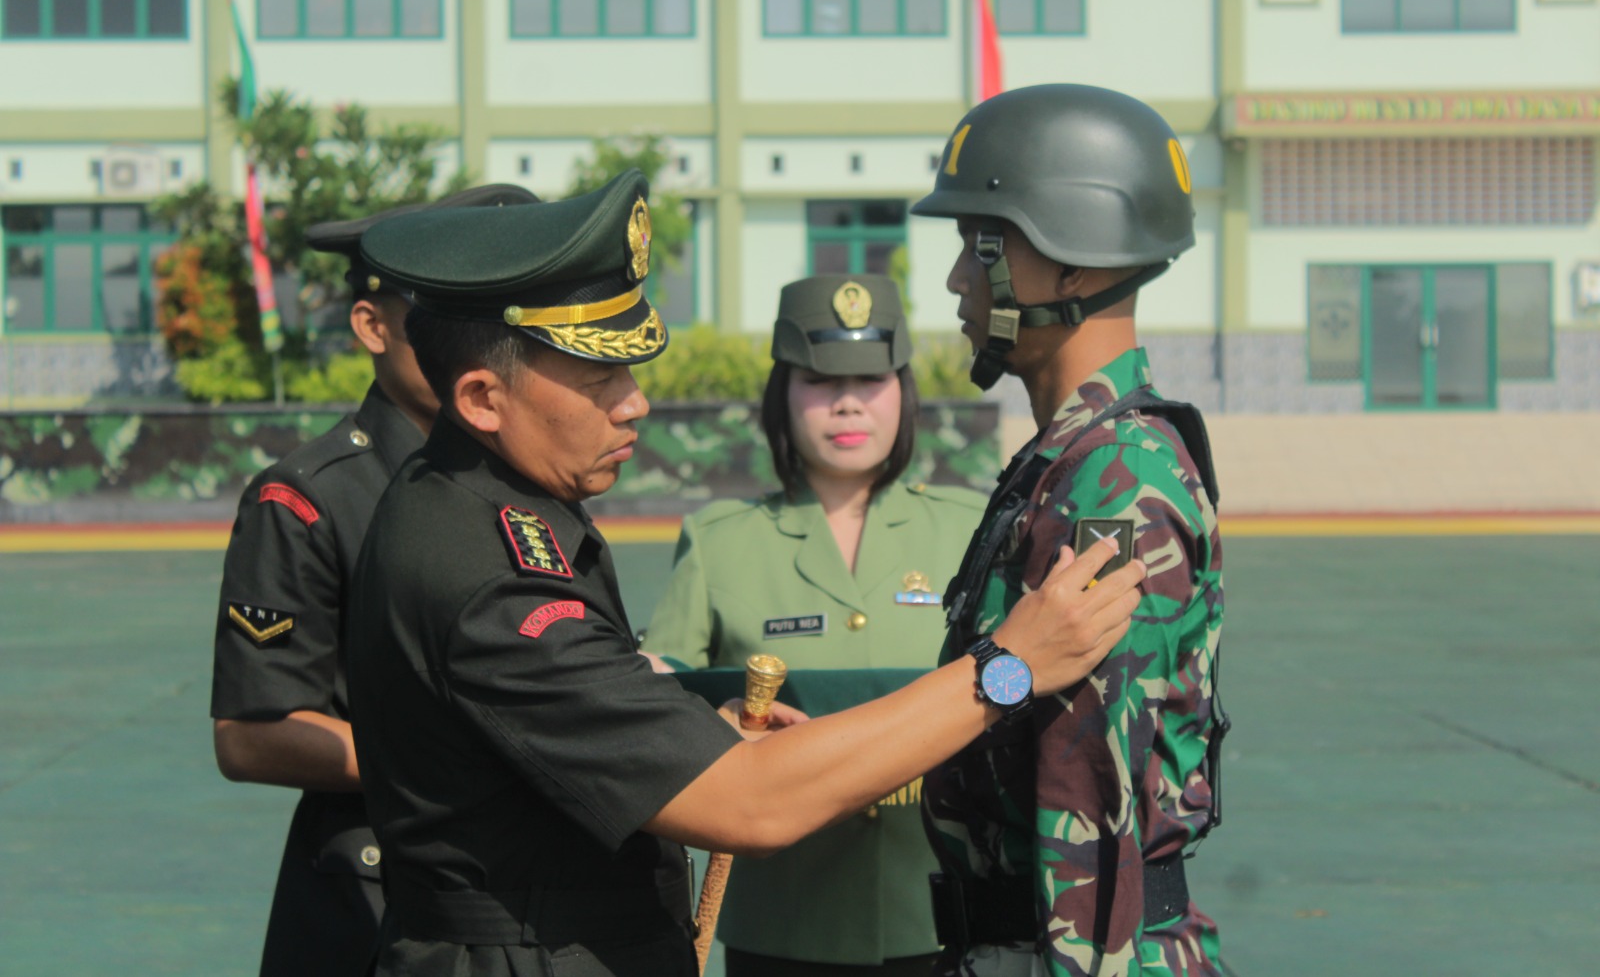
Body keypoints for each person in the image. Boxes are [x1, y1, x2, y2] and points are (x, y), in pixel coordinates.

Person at [343, 168, 1145, 977]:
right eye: (599, 380)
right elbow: (752, 803)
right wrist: (1008, 669)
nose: (634, 403)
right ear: (483, 398)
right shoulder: (495, 572)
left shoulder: (488, 506)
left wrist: (693, 736)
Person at [911, 83, 1230, 976]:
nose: (957, 279)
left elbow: (1090, 808)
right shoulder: (1075, 460)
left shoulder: (1112, 487)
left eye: (981, 245)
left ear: (1073, 269)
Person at [209, 184, 540, 977]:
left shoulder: (531, 482)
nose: (481, 339)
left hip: (528, 896)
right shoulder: (309, 497)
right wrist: (469, 763)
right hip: (380, 905)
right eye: (448, 310)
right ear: (371, 326)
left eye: (500, 314)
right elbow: (252, 732)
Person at [642, 273, 984, 976]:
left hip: (941, 915)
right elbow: (661, 710)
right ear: (783, 393)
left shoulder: (969, 529)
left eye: (871, 379)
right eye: (821, 381)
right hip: (783, 922)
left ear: (903, 390)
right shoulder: (719, 541)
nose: (847, 401)